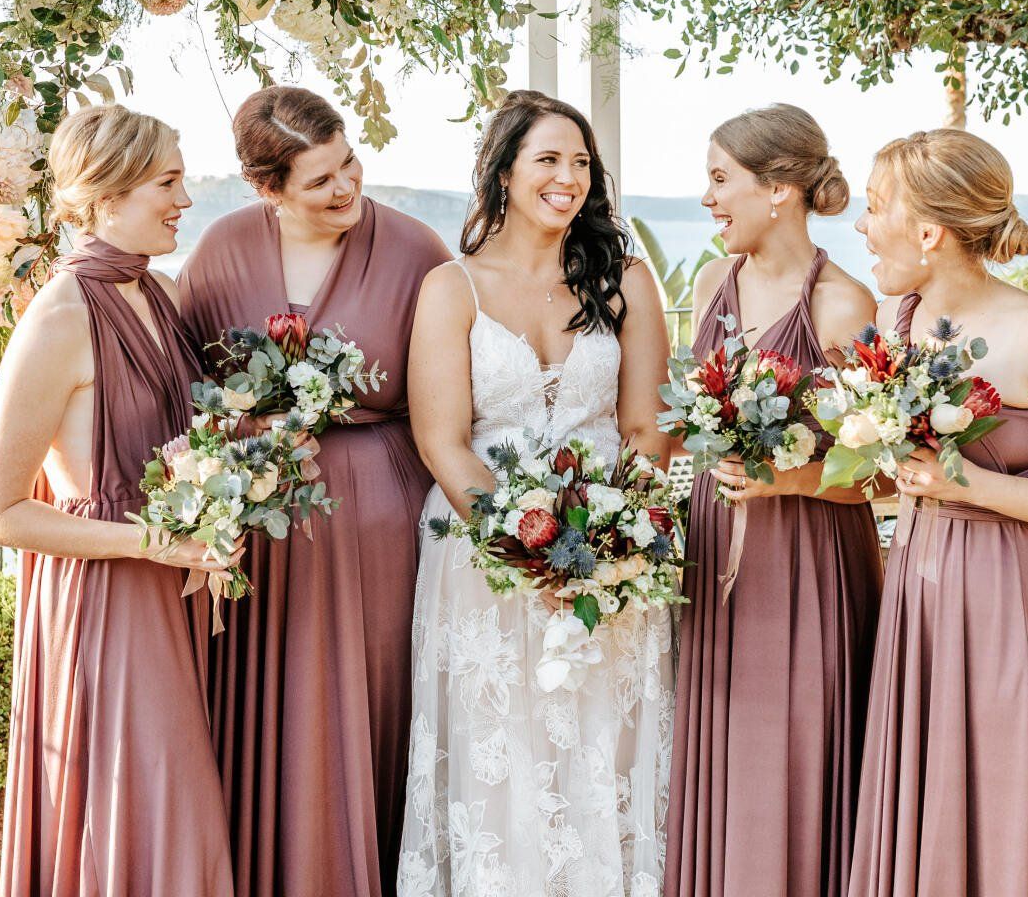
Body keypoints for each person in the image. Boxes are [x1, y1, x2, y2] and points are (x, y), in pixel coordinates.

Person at [177, 86, 452, 897]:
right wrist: (240, 443)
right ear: (266, 189)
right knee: (274, 718)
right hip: (264, 532)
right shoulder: (222, 250)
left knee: (377, 708)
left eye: (349, 165)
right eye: (320, 181)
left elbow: (460, 390)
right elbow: (181, 387)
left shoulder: (415, 251)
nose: (346, 189)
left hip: (381, 526)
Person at [396, 90, 673, 897]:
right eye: (548, 159)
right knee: (500, 740)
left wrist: (604, 547)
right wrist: (525, 548)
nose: (569, 177)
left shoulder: (625, 282)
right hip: (480, 552)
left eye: (581, 161)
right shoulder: (453, 288)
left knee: (598, 745)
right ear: (504, 174)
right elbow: (441, 439)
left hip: (610, 553)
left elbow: (647, 431)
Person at [847, 129, 1028, 897]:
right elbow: (890, 472)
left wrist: (961, 483)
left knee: (1013, 803)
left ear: (928, 233)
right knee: (928, 801)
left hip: (1021, 600)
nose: (862, 228)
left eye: (874, 210)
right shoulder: (892, 327)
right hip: (921, 589)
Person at [0, 105, 236, 896]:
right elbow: (0, 512)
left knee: (170, 823)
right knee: (159, 821)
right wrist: (156, 544)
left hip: (171, 592)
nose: (185, 198)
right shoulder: (60, 317)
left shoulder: (154, 294)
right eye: (168, 181)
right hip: (108, 604)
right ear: (108, 192)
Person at [665, 105, 882, 897]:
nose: (708, 199)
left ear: (781, 188)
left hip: (807, 561)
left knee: (792, 748)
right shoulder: (710, 281)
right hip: (713, 543)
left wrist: (785, 479)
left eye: (721, 180)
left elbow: (881, 472)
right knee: (721, 737)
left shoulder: (842, 304)